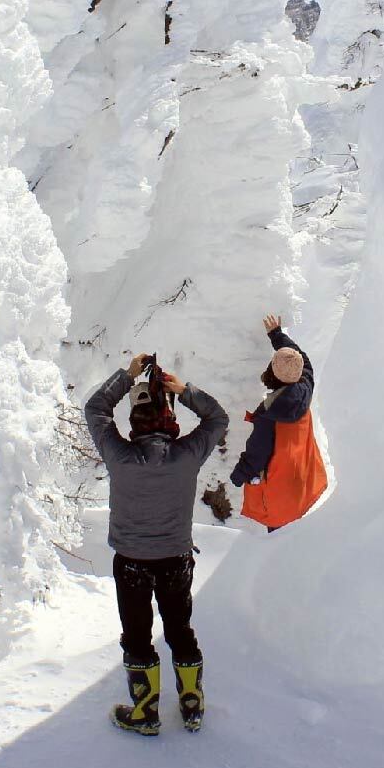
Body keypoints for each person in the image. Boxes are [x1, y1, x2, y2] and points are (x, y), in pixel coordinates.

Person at [84, 352, 228, 736]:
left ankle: (146, 711)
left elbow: (96, 409)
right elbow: (218, 419)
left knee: (136, 635)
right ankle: (192, 704)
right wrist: (184, 390)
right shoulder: (187, 455)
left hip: (131, 560)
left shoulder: (120, 456)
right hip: (176, 560)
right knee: (180, 629)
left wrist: (128, 375)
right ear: (171, 423)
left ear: (133, 423)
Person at [229, 313, 327, 531]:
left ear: (274, 372)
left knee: (278, 542)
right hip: (305, 480)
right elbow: (303, 358)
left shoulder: (269, 416)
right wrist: (277, 336)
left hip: (281, 491)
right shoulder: (306, 386)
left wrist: (239, 474)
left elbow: (257, 453)